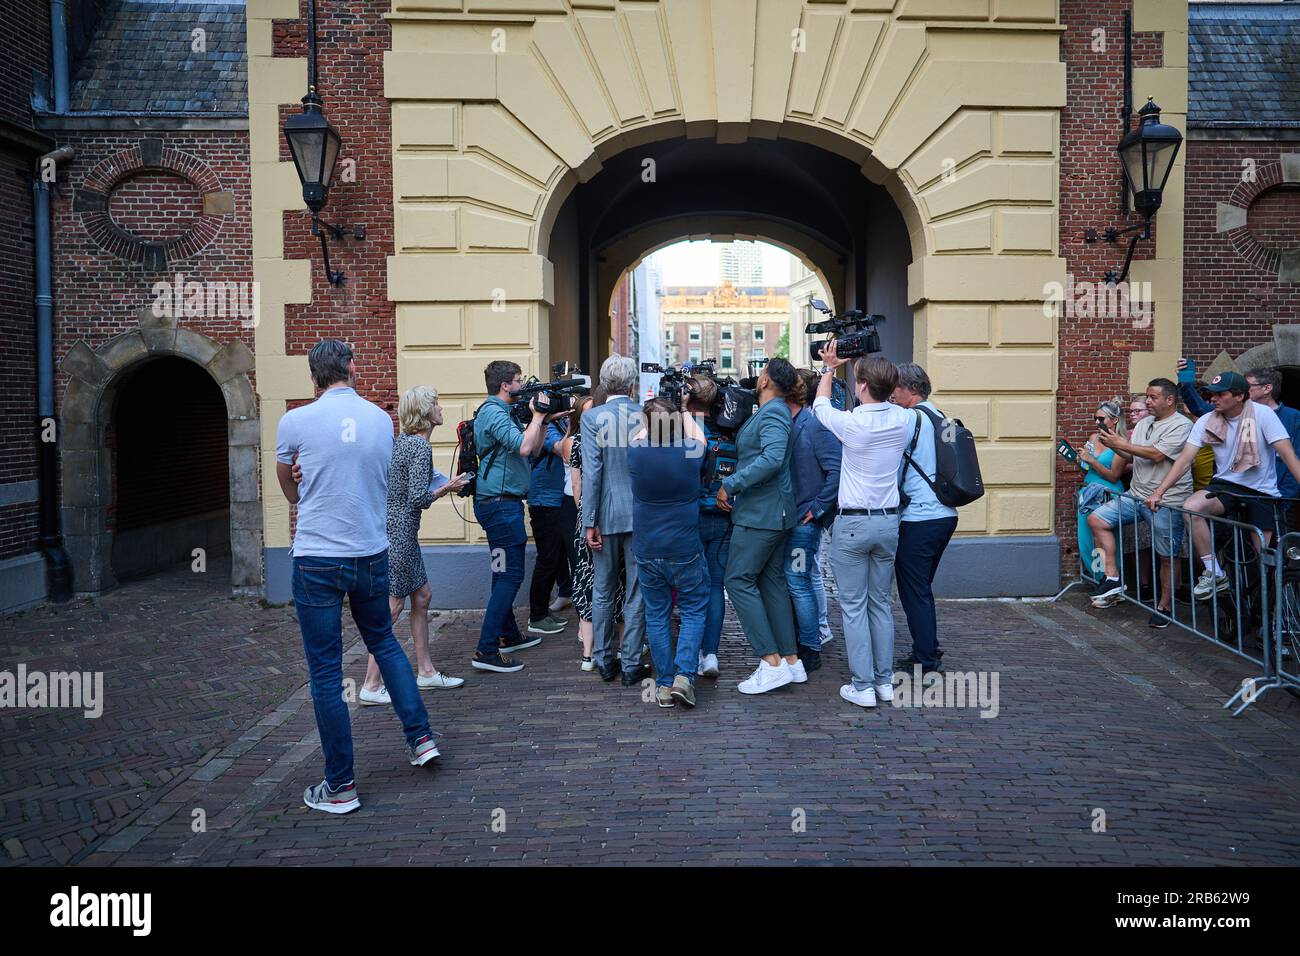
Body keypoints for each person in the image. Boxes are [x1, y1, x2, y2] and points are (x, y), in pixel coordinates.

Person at [275, 340, 439, 815]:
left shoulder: (295, 421)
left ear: (313, 377)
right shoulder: (380, 420)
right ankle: (421, 738)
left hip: (317, 557)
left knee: (326, 672)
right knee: (385, 644)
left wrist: (301, 489)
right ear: (351, 367)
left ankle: (340, 784)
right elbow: (378, 478)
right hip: (371, 551)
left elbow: (286, 482)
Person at [814, 345, 912, 708]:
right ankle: (884, 682)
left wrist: (829, 368)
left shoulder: (852, 423)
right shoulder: (904, 420)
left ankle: (863, 685)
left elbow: (821, 405)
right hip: (889, 522)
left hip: (853, 524)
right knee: (880, 605)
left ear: (864, 385)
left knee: (853, 606)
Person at [356, 385, 468, 705]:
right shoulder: (419, 446)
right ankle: (371, 685)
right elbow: (418, 498)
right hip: (401, 533)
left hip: (397, 530)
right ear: (424, 411)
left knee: (422, 595)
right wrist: (449, 486)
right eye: (436, 403)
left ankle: (427, 672)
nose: (441, 408)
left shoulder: (404, 442)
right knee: (392, 607)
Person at [1147, 371, 1300, 599]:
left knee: (1266, 560)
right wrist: (1159, 492)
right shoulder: (1208, 421)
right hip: (1226, 485)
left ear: (1239, 396)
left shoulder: (1263, 415)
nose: (1213, 399)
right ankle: (1215, 574)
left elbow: (1288, 455)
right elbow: (1184, 460)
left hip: (1262, 491)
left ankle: (1271, 613)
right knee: (1191, 507)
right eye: (1211, 394)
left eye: (1220, 394)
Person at [471, 360, 565, 673]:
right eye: (518, 380)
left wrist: (544, 419)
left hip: (501, 505)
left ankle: (507, 634)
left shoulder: (503, 412)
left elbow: (535, 448)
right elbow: (522, 447)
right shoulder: (493, 412)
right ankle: (486, 649)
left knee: (501, 572)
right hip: (499, 507)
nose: (523, 384)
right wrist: (538, 416)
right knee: (510, 575)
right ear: (505, 385)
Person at [720, 357, 802, 695]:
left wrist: (732, 484)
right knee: (772, 583)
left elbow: (771, 459)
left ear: (766, 379)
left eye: (762, 372)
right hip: (771, 514)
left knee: (737, 580)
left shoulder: (773, 413)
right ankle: (791, 662)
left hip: (761, 515)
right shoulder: (774, 411)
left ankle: (770, 663)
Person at [1088, 378, 1192, 627]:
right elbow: (1132, 452)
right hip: (1136, 496)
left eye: (1153, 397)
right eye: (1147, 396)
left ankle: (1164, 607)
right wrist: (1116, 446)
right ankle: (1112, 577)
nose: (1147, 401)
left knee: (1167, 555)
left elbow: (1157, 454)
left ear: (1170, 400)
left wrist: (1121, 444)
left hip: (1166, 501)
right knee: (1096, 519)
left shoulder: (1182, 425)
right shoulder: (1145, 422)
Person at [628, 398, 710, 708]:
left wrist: (649, 421)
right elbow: (700, 438)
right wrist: (686, 410)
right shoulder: (690, 451)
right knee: (692, 609)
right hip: (684, 546)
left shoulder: (635, 453)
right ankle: (683, 678)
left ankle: (663, 684)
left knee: (657, 614)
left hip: (648, 547)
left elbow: (639, 435)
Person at [581, 355, 650, 686]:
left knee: (603, 588)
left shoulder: (593, 417)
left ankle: (604, 659)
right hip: (641, 514)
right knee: (637, 591)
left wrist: (589, 519)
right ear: (632, 383)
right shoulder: (645, 415)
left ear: (604, 383)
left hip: (606, 513)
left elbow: (593, 472)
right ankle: (632, 662)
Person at [890, 363, 958, 674]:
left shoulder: (909, 417)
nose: (891, 394)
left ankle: (927, 659)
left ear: (911, 391)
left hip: (920, 516)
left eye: (896, 388)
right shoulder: (939, 415)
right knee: (921, 587)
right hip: (945, 513)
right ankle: (926, 646)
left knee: (915, 590)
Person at [785, 368, 841, 675]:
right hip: (789, 519)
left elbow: (836, 469)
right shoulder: (791, 423)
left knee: (799, 582)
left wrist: (818, 508)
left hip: (803, 524)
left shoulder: (815, 426)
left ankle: (811, 647)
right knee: (794, 582)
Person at [564, 393, 624, 671]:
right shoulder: (614, 433)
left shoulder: (577, 441)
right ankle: (623, 648)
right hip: (613, 516)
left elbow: (577, 486)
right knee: (619, 580)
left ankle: (589, 654)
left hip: (589, 517)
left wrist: (585, 516)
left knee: (589, 583)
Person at [688, 372, 733, 680]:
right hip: (724, 514)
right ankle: (711, 653)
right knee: (716, 585)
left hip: (694, 516)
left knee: (693, 588)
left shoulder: (690, 432)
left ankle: (691, 655)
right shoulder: (732, 428)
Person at [525, 405, 572, 637]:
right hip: (545, 501)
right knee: (547, 559)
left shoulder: (559, 424)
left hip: (556, 500)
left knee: (556, 557)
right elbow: (561, 449)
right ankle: (537, 615)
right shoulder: (547, 426)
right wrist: (576, 425)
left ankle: (545, 610)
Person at [1075, 398, 1129, 580]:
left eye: (1102, 419)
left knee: (1106, 542)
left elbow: (1114, 475)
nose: (1097, 423)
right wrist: (1081, 461)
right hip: (1089, 493)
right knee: (1087, 542)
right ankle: (1098, 578)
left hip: (1108, 493)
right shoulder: (1093, 438)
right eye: (1095, 418)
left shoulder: (1121, 443)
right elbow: (1087, 467)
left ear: (1115, 420)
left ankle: (1111, 579)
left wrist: (1091, 461)